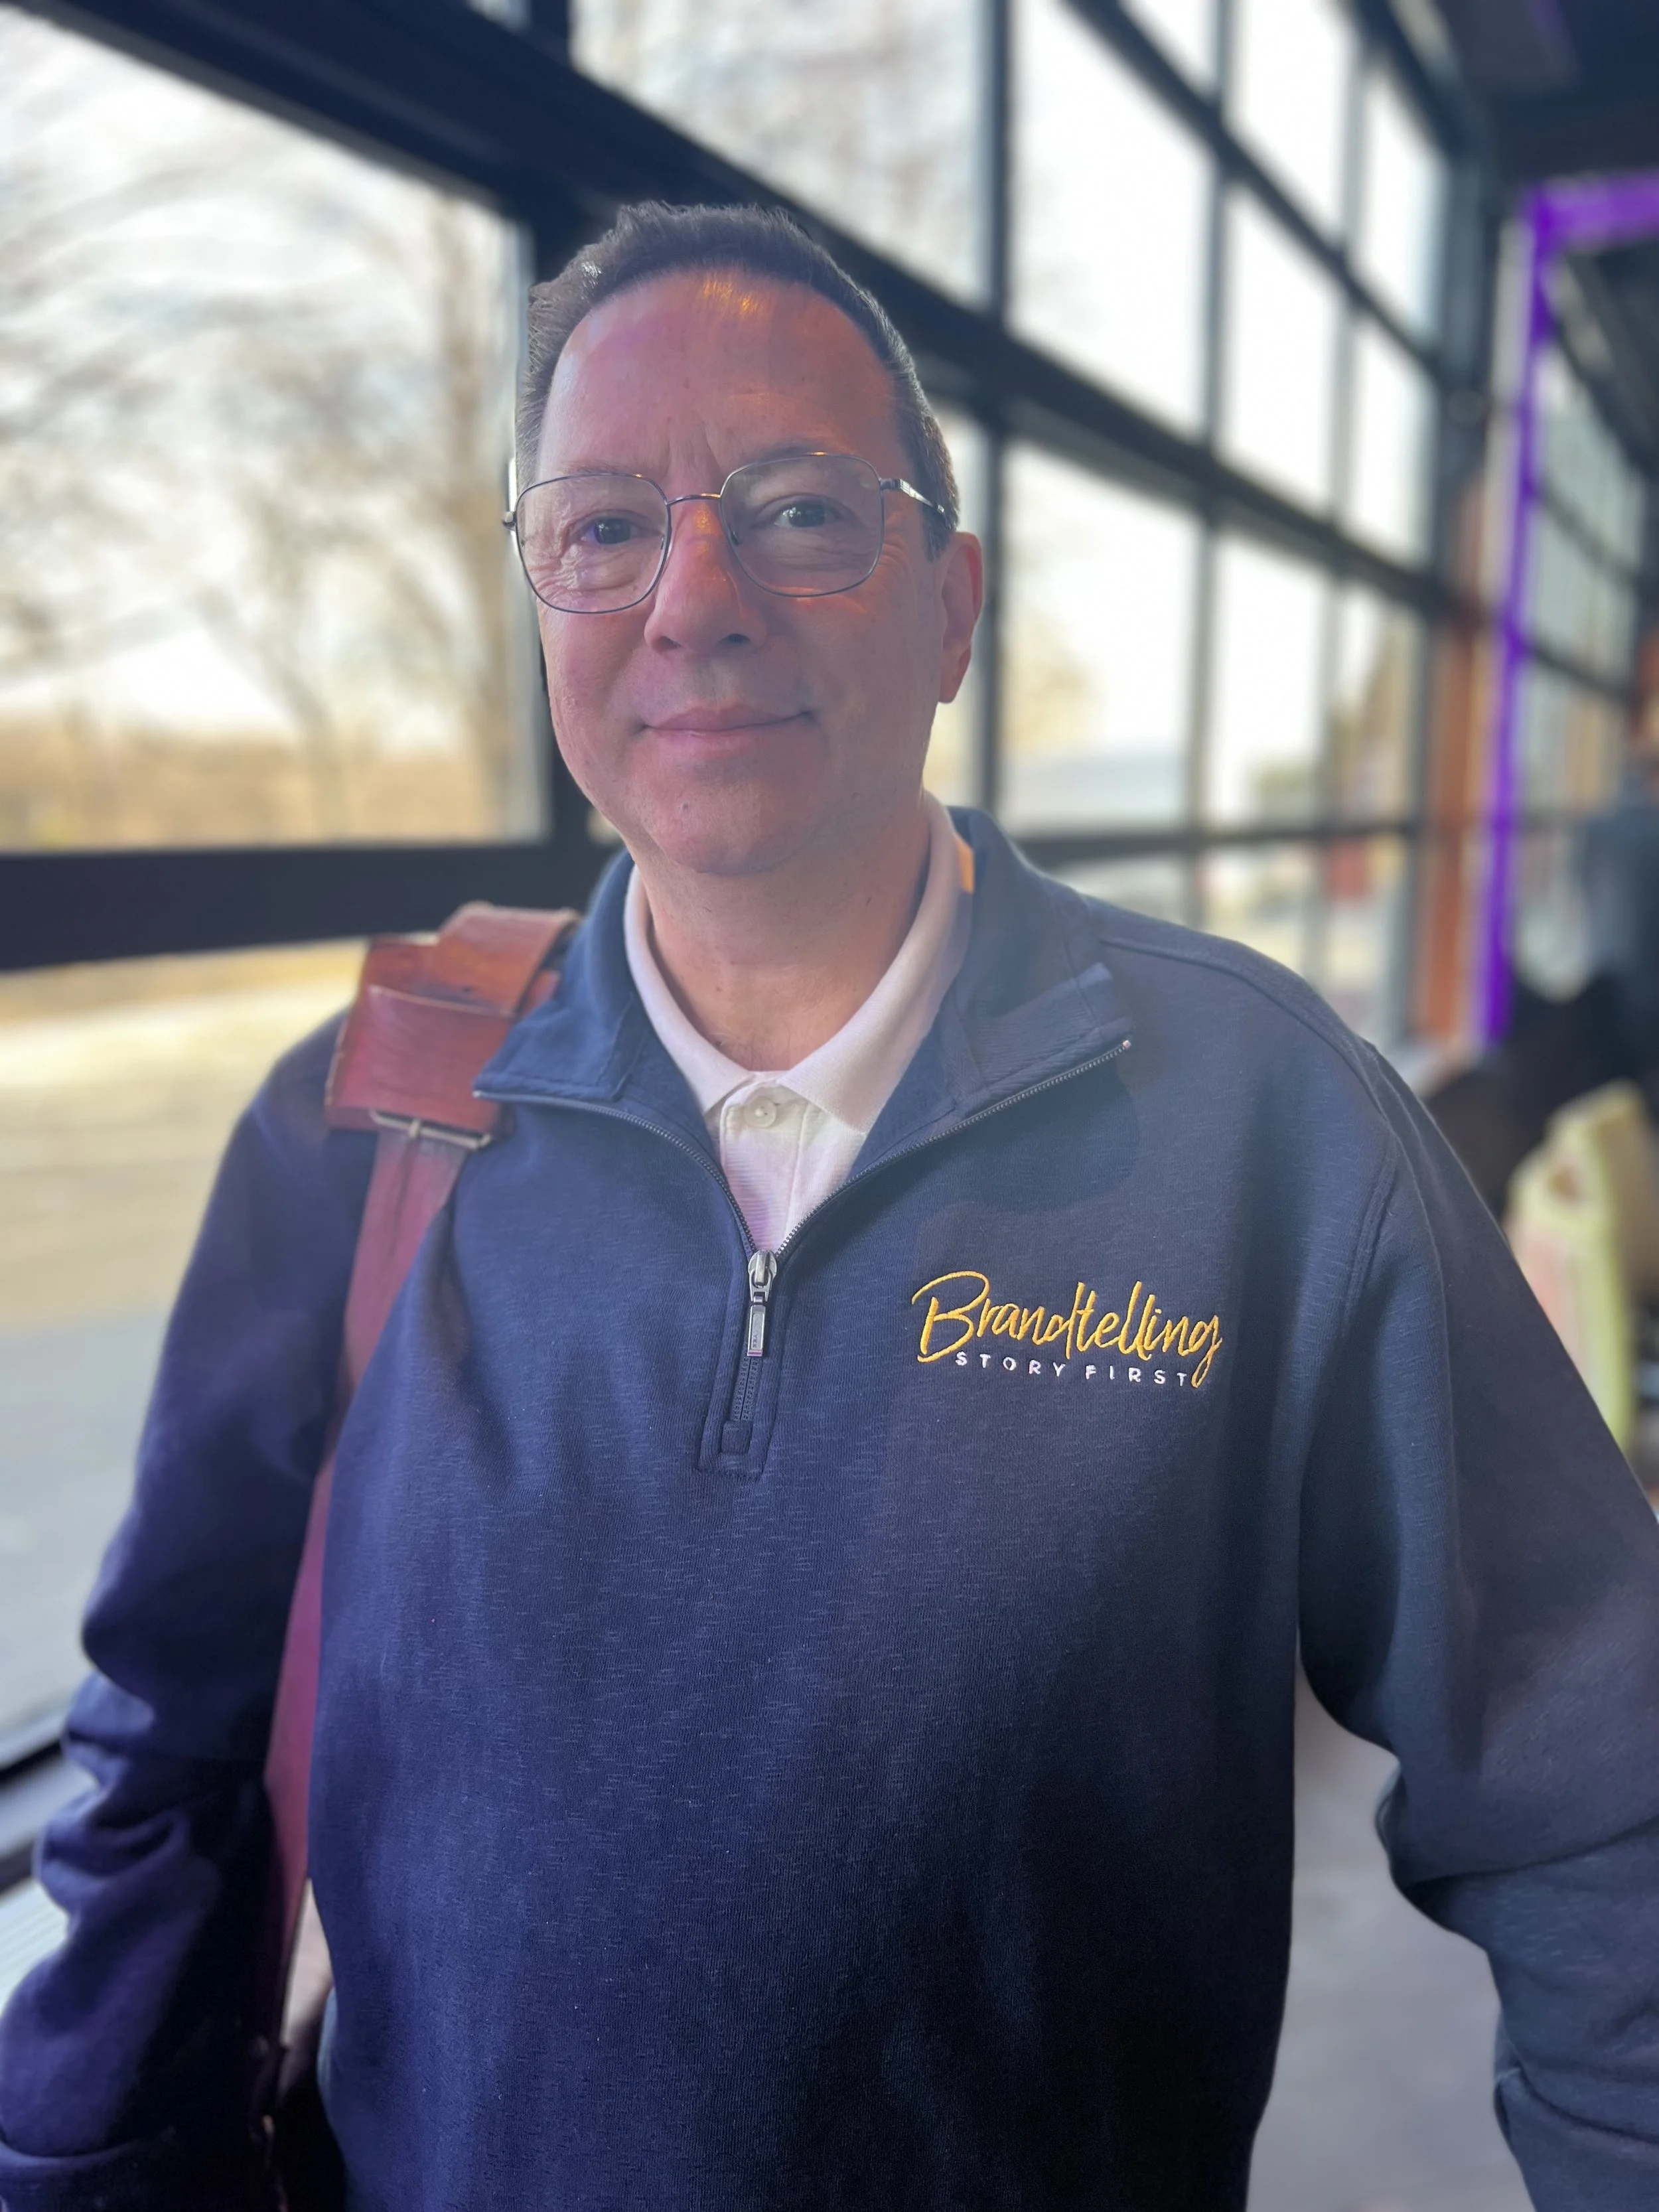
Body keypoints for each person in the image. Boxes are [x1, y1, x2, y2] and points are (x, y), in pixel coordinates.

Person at [3, 200, 1659, 2212]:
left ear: (951, 607)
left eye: (797, 511)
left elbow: (1602, 1791)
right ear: (544, 606)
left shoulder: (1253, 1126)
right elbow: (169, 1741)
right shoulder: (370, 1116)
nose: (691, 596)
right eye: (603, 526)